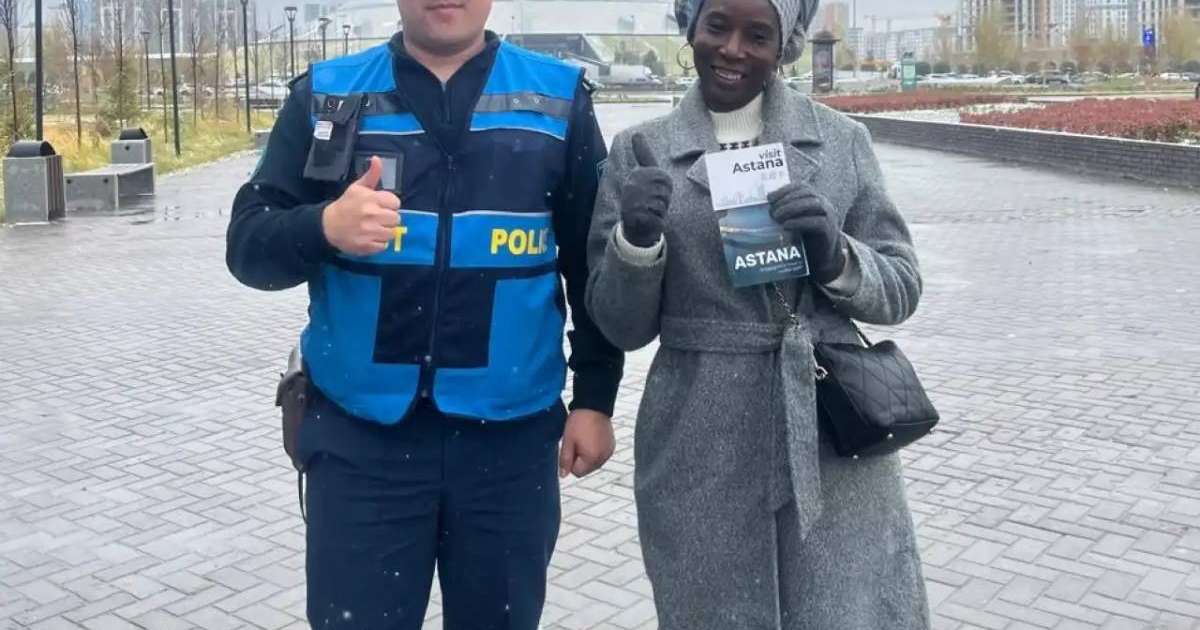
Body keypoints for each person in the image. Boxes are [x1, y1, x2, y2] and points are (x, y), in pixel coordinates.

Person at [225, 0, 624, 624]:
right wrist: (324, 226)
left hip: (509, 447)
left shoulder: (559, 99)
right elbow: (248, 248)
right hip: (362, 444)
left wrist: (596, 398)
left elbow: (590, 264)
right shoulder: (327, 96)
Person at [584, 0, 930, 627]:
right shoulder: (642, 151)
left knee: (842, 610)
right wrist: (637, 241)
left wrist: (836, 257)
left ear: (786, 42)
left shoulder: (841, 142)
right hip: (698, 435)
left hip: (828, 434)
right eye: (718, 25)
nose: (734, 48)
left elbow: (901, 286)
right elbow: (620, 326)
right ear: (691, 28)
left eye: (758, 34)